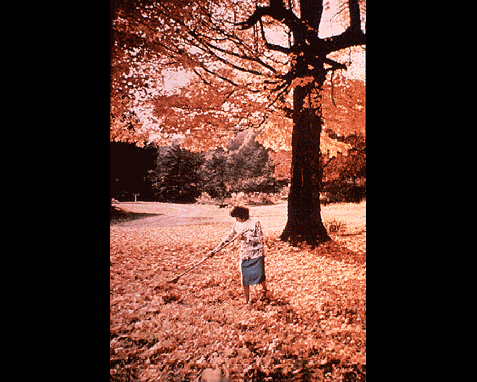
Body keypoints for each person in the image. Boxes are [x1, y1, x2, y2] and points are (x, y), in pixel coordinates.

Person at [210, 206, 267, 304]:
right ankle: (247, 301)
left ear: (242, 216)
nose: (236, 219)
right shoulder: (237, 225)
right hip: (245, 255)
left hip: (257, 254)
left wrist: (245, 239)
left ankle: (265, 291)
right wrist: (214, 251)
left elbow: (261, 239)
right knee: (244, 278)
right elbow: (228, 238)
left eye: (237, 217)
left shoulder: (255, 222)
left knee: (260, 276)